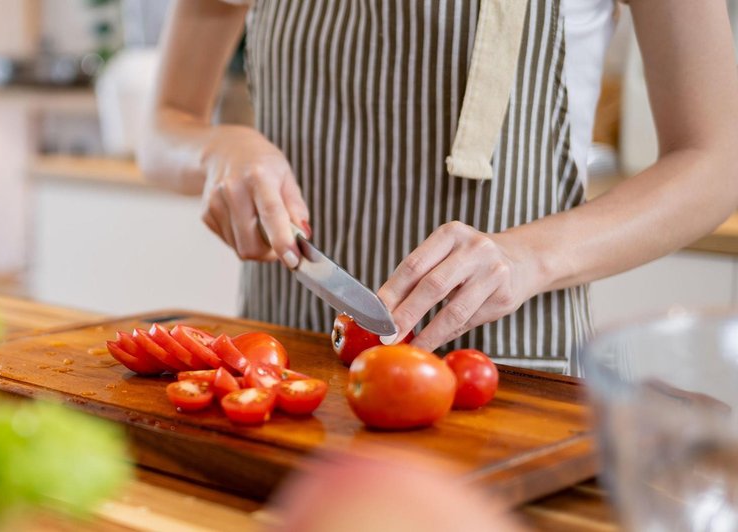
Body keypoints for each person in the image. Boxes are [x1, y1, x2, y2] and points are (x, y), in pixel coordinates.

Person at [140, 0, 738, 376]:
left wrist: (529, 255)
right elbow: (163, 125)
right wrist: (220, 149)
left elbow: (716, 161)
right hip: (283, 367)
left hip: (505, 369)